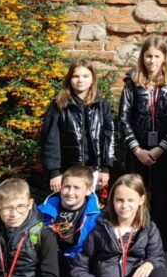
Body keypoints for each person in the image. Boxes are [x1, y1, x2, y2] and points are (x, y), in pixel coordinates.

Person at [118, 35, 167, 253]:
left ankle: (158, 246)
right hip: (137, 151)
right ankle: (134, 243)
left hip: (162, 150)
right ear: (142, 57)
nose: (152, 61)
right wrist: (136, 149)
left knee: (161, 199)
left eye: (157, 56)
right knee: (134, 196)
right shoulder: (132, 82)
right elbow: (123, 118)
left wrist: (162, 147)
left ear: (164, 57)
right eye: (148, 56)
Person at [41, 59, 115, 195]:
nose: (80, 80)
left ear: (92, 79)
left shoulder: (101, 105)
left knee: (92, 204)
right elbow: (50, 139)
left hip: (94, 170)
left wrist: (105, 168)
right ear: (69, 79)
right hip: (67, 171)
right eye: (76, 76)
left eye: (85, 76)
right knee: (68, 203)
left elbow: (109, 137)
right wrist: (54, 172)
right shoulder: (59, 105)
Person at [37, 165, 101, 277]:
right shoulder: (42, 210)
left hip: (78, 265)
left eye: (76, 188)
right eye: (66, 187)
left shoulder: (96, 217)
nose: (70, 192)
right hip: (48, 262)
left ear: (89, 190)